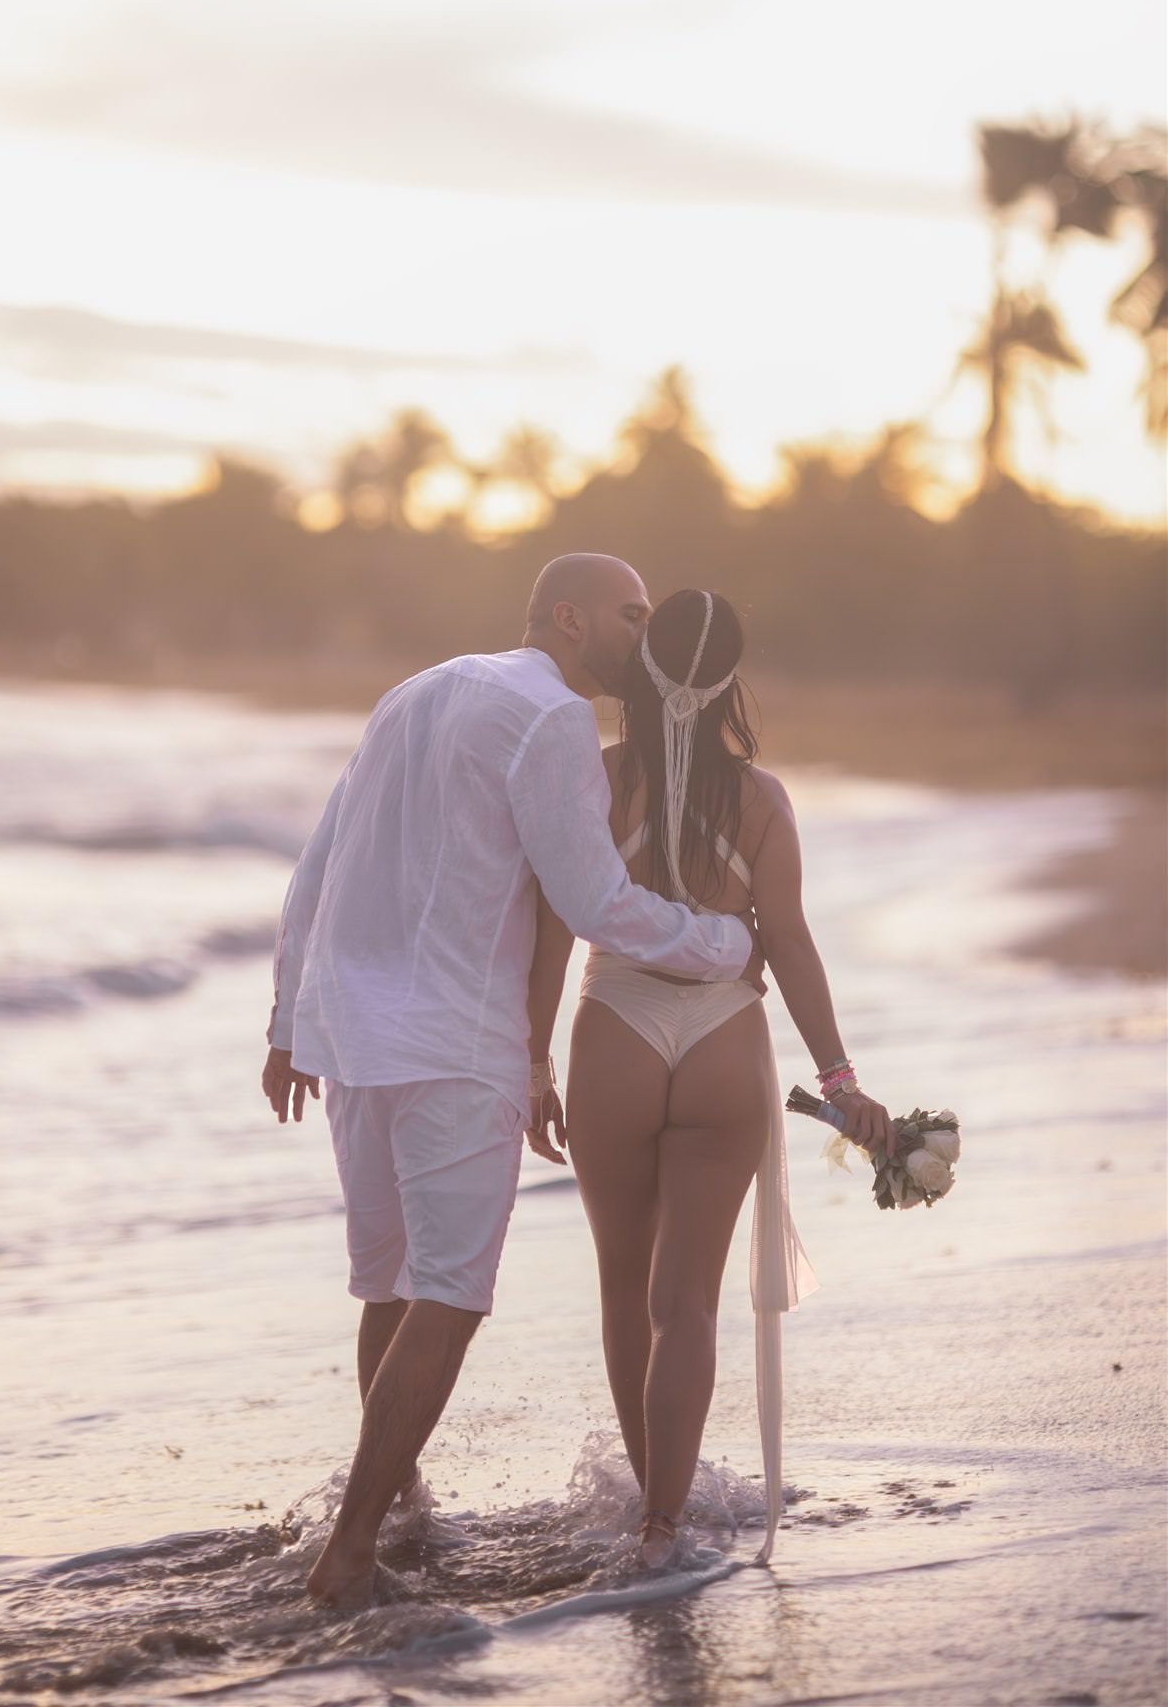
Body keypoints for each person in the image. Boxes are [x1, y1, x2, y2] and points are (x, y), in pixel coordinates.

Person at [261, 555, 761, 1606]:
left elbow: (319, 858)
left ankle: (398, 1515)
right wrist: (721, 941)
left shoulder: (416, 689)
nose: (647, 631)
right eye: (632, 614)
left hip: (352, 1035)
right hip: (453, 1037)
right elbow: (593, 899)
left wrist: (285, 1021)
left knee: (390, 1284)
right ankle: (350, 1551)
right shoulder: (554, 721)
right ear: (570, 620)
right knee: (446, 1293)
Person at [526, 587, 895, 1567]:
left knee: (622, 1282)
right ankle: (662, 1527)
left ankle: (652, 1506)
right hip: (729, 1036)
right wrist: (840, 1071)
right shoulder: (763, 800)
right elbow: (791, 941)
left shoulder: (597, 784)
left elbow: (555, 932)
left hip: (618, 1029)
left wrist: (528, 1058)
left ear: (642, 677)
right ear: (728, 681)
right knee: (684, 1299)